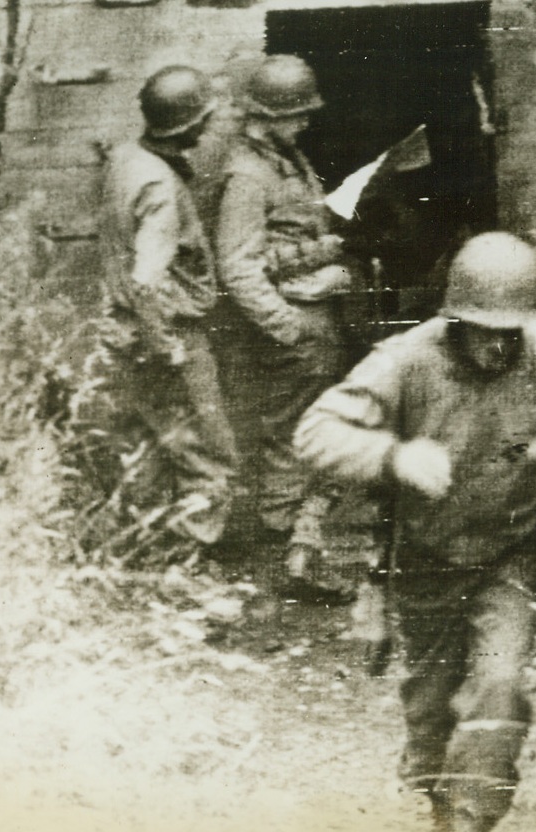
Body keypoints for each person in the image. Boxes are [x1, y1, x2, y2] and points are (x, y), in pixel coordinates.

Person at [293, 232, 536, 832]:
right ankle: (435, 798)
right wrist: (392, 456)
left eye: (509, 331)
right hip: (424, 558)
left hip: (508, 557)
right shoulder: (406, 360)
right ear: (455, 319)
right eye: (482, 329)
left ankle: (473, 819)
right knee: (431, 709)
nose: (497, 345)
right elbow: (316, 432)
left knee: (500, 686)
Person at [215, 54, 362, 597]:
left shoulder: (283, 158)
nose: (305, 121)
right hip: (295, 332)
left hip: (314, 326)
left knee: (312, 432)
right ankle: (290, 564)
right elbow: (236, 264)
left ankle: (301, 554)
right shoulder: (249, 176)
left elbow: (283, 237)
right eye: (295, 113)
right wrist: (287, 326)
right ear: (264, 115)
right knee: (289, 441)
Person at [92, 65, 237, 567]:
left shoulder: (127, 158)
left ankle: (149, 556)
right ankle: (194, 560)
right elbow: (146, 278)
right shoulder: (158, 186)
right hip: (164, 334)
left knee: (151, 449)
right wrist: (167, 347)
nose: (210, 123)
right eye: (205, 116)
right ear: (190, 125)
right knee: (208, 453)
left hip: (125, 333)